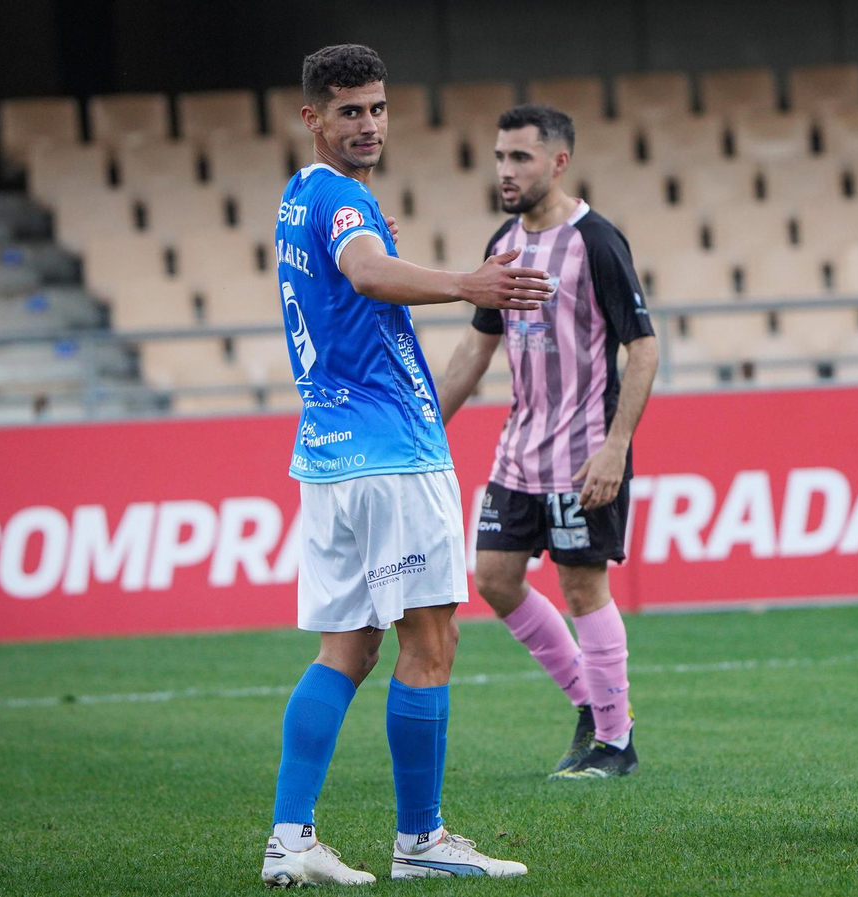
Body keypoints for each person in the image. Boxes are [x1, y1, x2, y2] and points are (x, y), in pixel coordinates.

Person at [260, 44, 555, 887]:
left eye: (378, 108)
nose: (368, 124)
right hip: (390, 457)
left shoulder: (296, 197)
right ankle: (420, 839)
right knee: (431, 641)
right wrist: (469, 283)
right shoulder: (344, 202)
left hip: (327, 457)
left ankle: (291, 837)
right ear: (312, 117)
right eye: (349, 111)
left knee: (346, 650)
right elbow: (365, 271)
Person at [437, 104, 658, 780]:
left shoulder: (596, 241)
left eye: (520, 158)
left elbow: (643, 350)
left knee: (582, 586)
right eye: (501, 157)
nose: (506, 170)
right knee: (495, 579)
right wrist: (420, 431)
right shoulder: (502, 241)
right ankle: (592, 704)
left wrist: (617, 445)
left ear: (558, 161)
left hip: (584, 448)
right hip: (518, 451)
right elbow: (474, 352)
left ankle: (616, 743)